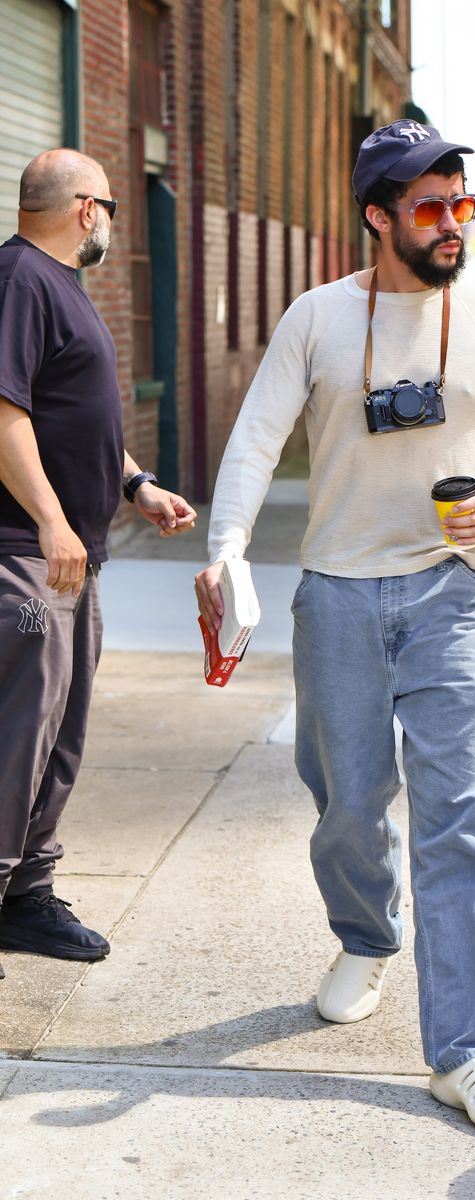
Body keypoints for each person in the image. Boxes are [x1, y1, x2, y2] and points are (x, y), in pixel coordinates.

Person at [195, 120, 475, 1129]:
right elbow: (255, 441)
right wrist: (226, 547)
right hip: (339, 599)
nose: (451, 226)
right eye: (428, 210)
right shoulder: (317, 318)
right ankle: (366, 931)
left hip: (454, 592)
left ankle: (467, 1047)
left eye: (461, 208)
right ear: (376, 215)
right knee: (347, 805)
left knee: (464, 823)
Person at [0, 150, 197, 981]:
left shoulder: (61, 288)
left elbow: (75, 410)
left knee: (60, 734)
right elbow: (4, 413)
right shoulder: (19, 281)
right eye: (110, 205)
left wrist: (135, 483)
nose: (111, 220)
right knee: (15, 735)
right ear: (87, 209)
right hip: (26, 557)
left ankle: (26, 897)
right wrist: (49, 520)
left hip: (75, 557)